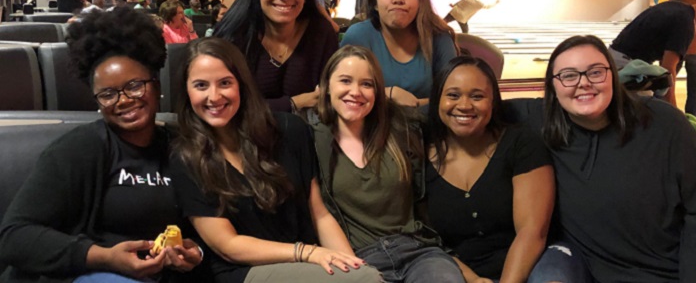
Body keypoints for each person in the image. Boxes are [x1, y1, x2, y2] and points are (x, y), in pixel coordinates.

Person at [0, 8, 204, 282]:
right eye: (108, 94)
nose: (123, 100)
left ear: (156, 86)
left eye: (134, 86)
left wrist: (195, 252)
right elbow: (14, 236)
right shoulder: (79, 149)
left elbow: (208, 225)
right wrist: (103, 257)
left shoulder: (183, 145)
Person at [169, 37, 382, 283]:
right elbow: (227, 245)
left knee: (362, 278)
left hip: (307, 262)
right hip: (244, 272)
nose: (214, 96)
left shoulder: (290, 130)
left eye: (225, 83)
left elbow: (319, 213)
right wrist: (306, 253)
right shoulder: (185, 157)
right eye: (201, 85)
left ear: (241, 85)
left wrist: (349, 264)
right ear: (186, 91)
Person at [535, 35, 696, 282]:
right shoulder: (544, 126)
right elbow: (481, 105)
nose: (584, 83)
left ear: (613, 74)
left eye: (596, 72)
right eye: (569, 75)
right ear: (553, 86)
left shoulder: (665, 125)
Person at [313, 45, 465, 283]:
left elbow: (453, 111)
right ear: (326, 87)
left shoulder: (401, 127)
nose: (356, 92)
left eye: (367, 84)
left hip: (417, 251)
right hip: (361, 257)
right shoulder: (312, 139)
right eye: (345, 81)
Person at [425, 56, 554, 282]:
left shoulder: (520, 143)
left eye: (477, 96)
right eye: (453, 95)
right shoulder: (419, 154)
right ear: (437, 100)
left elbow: (532, 233)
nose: (464, 105)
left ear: (493, 102)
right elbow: (425, 238)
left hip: (529, 267)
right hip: (457, 273)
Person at [214, 0, 338, 114]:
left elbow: (330, 98)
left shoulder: (321, 33)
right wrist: (294, 103)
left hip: (306, 137)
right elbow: (222, 104)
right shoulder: (233, 35)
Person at [340, 0, 457, 107]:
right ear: (375, 3)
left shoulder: (439, 37)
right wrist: (388, 93)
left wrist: (415, 105)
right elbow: (340, 91)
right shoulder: (358, 35)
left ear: (420, 0)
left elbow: (454, 96)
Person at [608, 0, 696, 108]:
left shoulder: (675, 7)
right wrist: (674, 110)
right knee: (645, 112)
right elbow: (668, 68)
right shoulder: (685, 23)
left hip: (616, 58)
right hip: (627, 65)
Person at [670, 0, 696, 117]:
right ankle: (692, 121)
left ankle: (666, 117)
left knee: (667, 85)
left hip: (676, 47)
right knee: (695, 92)